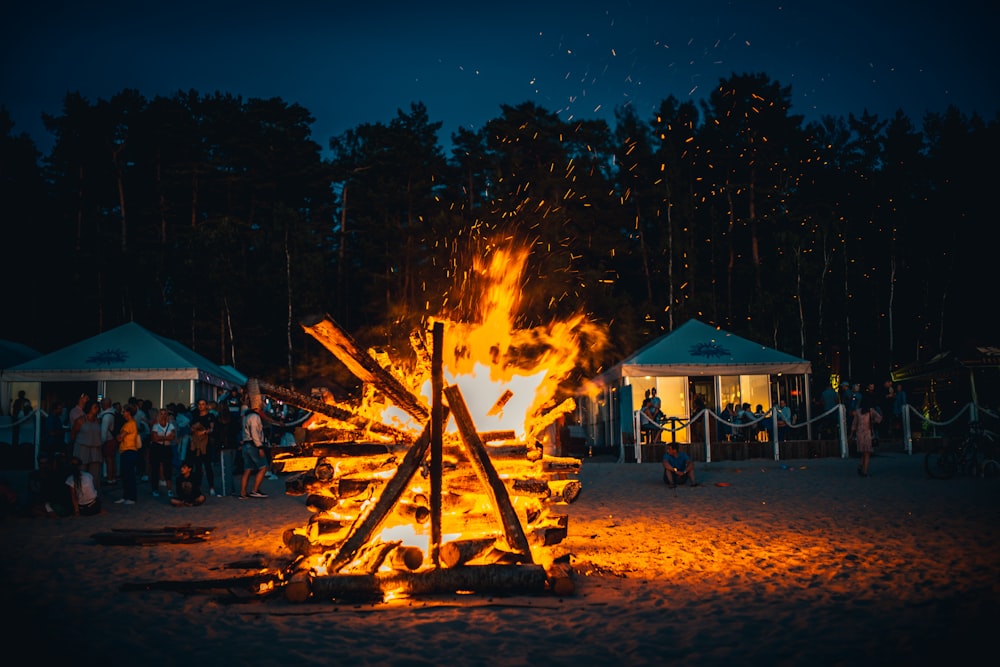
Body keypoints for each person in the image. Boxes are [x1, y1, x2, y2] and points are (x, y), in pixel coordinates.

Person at [70, 401, 103, 494]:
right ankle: (80, 494)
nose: (97, 409)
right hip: (82, 448)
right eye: (95, 407)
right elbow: (73, 435)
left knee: (95, 474)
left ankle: (94, 495)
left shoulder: (98, 421)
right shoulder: (80, 420)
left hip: (95, 448)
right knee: (81, 472)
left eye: (97, 407)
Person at [239, 405, 269, 499]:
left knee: (247, 469)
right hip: (253, 445)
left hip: (246, 444)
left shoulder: (246, 416)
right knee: (264, 467)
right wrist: (260, 447)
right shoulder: (254, 417)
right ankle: (255, 490)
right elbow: (255, 432)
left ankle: (243, 492)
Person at [114, 404, 141, 505]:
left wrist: (118, 436)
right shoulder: (130, 423)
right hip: (127, 450)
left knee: (129, 475)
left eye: (124, 411)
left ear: (128, 413)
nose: (123, 413)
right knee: (126, 475)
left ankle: (131, 497)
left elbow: (120, 437)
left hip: (128, 450)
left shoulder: (129, 424)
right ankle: (126, 496)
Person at [850, 394, 883, 477]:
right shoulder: (871, 411)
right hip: (868, 433)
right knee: (867, 452)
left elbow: (854, 424)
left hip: (859, 434)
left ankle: (861, 465)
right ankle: (864, 471)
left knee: (863, 452)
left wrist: (851, 435)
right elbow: (879, 419)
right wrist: (873, 422)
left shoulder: (858, 412)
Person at [188, 400, 216, 496]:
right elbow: (191, 428)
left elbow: (212, 429)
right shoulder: (195, 416)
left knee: (208, 466)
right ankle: (198, 486)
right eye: (199, 404)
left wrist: (204, 432)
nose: (201, 406)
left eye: (203, 404)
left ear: (206, 405)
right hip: (196, 444)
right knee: (198, 466)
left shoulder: (210, 416)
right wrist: (194, 430)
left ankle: (211, 486)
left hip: (206, 443)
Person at [149, 408, 177, 498]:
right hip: (157, 448)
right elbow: (154, 438)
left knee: (167, 469)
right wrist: (165, 437)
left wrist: (161, 437)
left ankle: (169, 489)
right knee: (155, 469)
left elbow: (172, 437)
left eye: (165, 414)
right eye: (161, 414)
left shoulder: (171, 425)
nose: (163, 416)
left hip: (166, 448)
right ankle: (155, 489)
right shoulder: (156, 426)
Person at [98, 398, 121, 485]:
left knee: (108, 460)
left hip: (108, 440)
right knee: (113, 459)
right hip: (113, 439)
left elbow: (103, 432)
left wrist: (101, 442)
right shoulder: (113, 413)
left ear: (104, 405)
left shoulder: (106, 416)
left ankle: (109, 478)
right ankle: (113, 477)